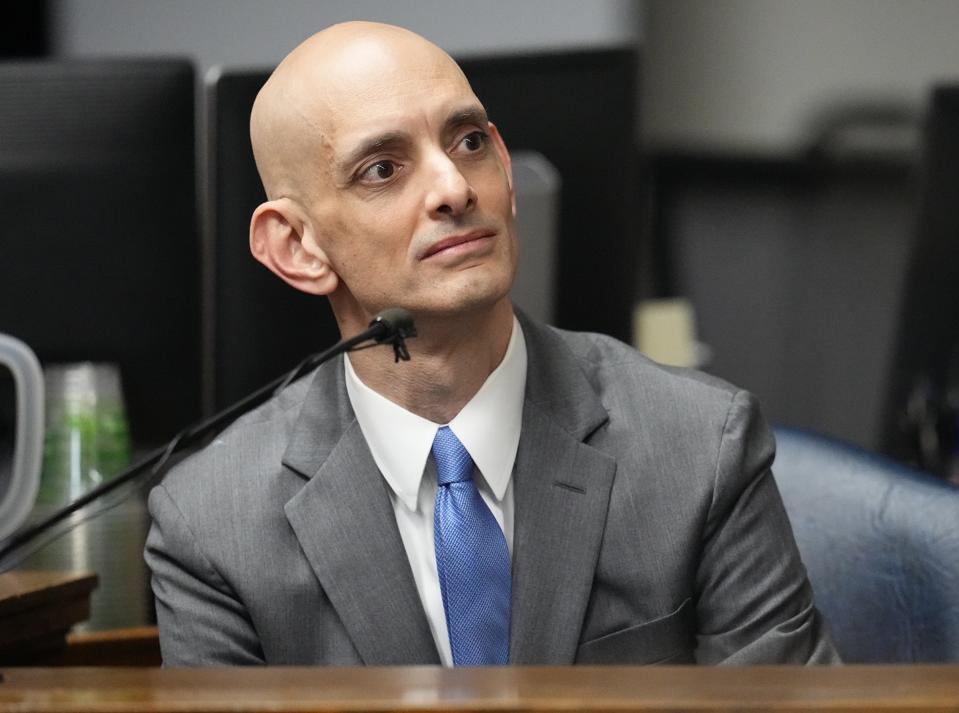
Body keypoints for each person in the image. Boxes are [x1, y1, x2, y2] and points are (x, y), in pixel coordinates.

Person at [145, 21, 839, 666]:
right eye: (383, 169)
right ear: (297, 248)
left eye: (468, 142)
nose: (452, 186)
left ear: (505, 170)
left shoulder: (697, 444)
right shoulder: (211, 521)